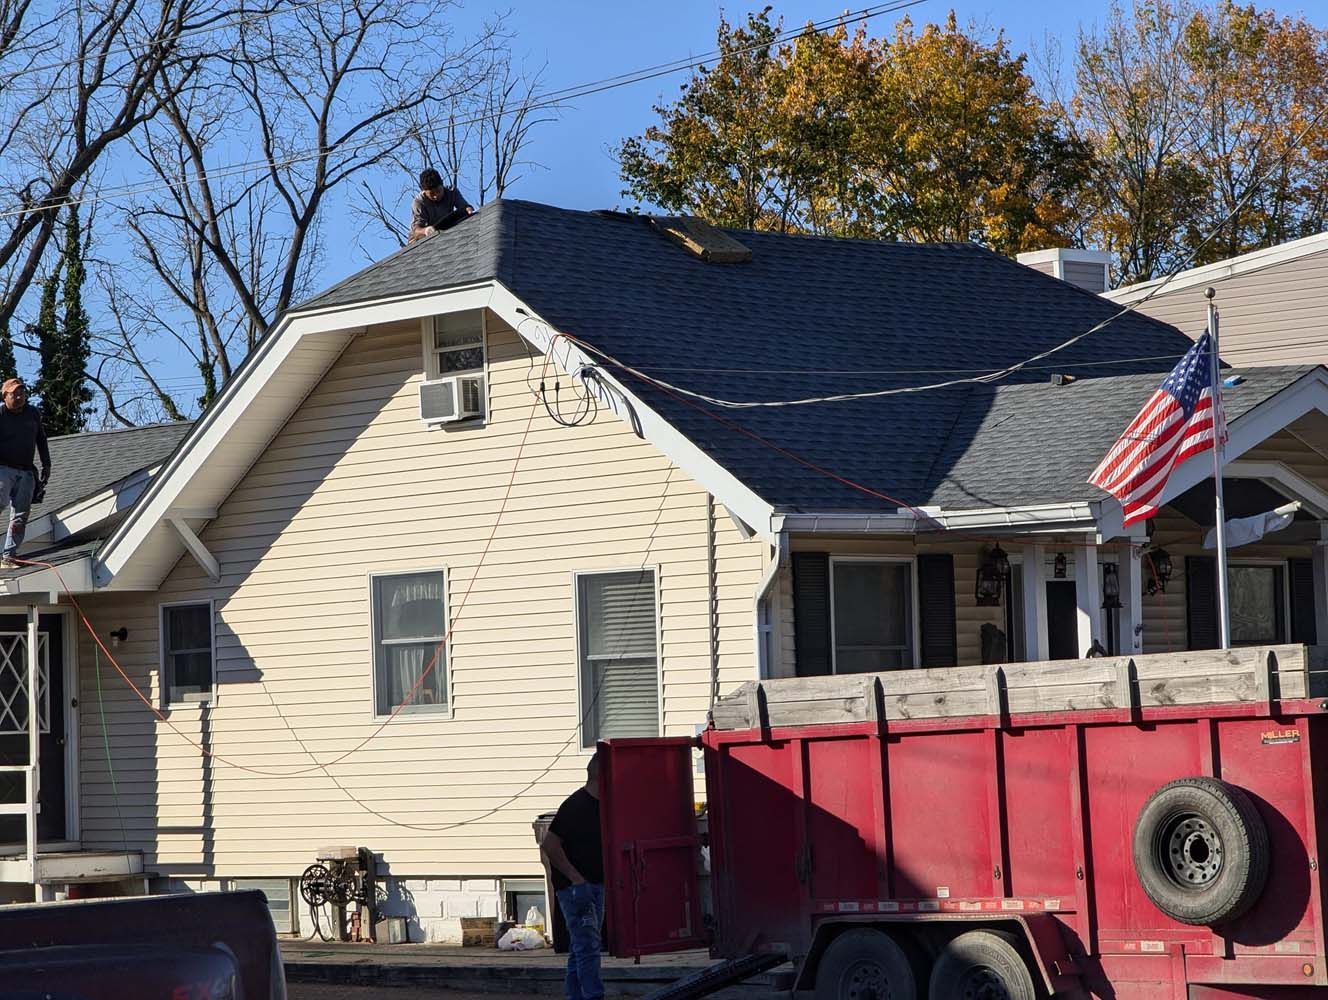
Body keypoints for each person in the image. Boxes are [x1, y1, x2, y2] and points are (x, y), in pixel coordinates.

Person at [541, 752, 605, 1000]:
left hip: (595, 885)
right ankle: (592, 996)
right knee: (588, 947)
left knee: (582, 948)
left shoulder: (604, 806)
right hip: (575, 889)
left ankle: (576, 995)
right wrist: (576, 879)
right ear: (601, 776)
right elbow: (549, 844)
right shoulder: (576, 805)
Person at [0, 378, 49, 569]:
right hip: (3, 468)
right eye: (14, 394)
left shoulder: (32, 413)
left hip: (26, 470)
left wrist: (47, 464)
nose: (19, 397)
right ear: (5, 396)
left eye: (22, 393)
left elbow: (41, 439)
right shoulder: (1, 413)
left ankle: (9, 557)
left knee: (21, 515)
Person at [409, 169, 474, 241]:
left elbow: (465, 207)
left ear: (442, 185)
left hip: (446, 230)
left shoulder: (451, 192)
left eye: (438, 191)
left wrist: (468, 209)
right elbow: (416, 230)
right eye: (432, 194)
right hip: (422, 240)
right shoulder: (419, 203)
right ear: (424, 191)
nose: (436, 196)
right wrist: (425, 230)